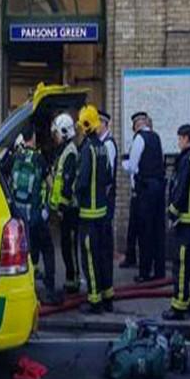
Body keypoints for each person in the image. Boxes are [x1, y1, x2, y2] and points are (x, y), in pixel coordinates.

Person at [10, 123, 59, 305]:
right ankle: (50, 287)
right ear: (34, 138)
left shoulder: (16, 157)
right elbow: (51, 183)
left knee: (28, 251)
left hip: (20, 216)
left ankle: (28, 289)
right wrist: (51, 207)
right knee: (47, 248)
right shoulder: (39, 159)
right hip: (37, 215)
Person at [163, 124, 190, 321]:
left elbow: (180, 189)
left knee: (180, 264)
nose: (178, 142)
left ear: (186, 138)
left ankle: (179, 306)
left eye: (180, 138)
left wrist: (172, 212)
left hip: (185, 222)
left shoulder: (186, 162)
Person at [75, 105, 114, 314]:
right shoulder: (103, 148)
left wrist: (74, 194)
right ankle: (108, 297)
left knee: (89, 257)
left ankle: (94, 301)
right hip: (102, 214)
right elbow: (108, 177)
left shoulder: (87, 149)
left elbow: (81, 181)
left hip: (88, 215)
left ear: (87, 126)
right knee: (104, 257)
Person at [123, 112, 166, 283]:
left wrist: (124, 164)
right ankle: (159, 270)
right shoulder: (156, 137)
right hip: (158, 188)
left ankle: (144, 272)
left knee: (145, 232)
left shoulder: (139, 139)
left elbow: (133, 166)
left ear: (137, 124)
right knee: (157, 230)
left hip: (145, 190)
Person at [50, 112, 80, 294]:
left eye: (57, 134)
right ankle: (70, 278)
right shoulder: (64, 151)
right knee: (65, 245)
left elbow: (68, 183)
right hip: (65, 207)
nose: (55, 137)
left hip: (70, 208)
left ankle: (74, 279)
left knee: (70, 245)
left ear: (65, 132)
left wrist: (61, 206)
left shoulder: (70, 153)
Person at [98, 109, 118, 288]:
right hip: (102, 201)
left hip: (106, 200)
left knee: (105, 242)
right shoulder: (100, 143)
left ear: (104, 124)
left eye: (98, 122)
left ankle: (107, 284)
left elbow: (108, 175)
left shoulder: (108, 145)